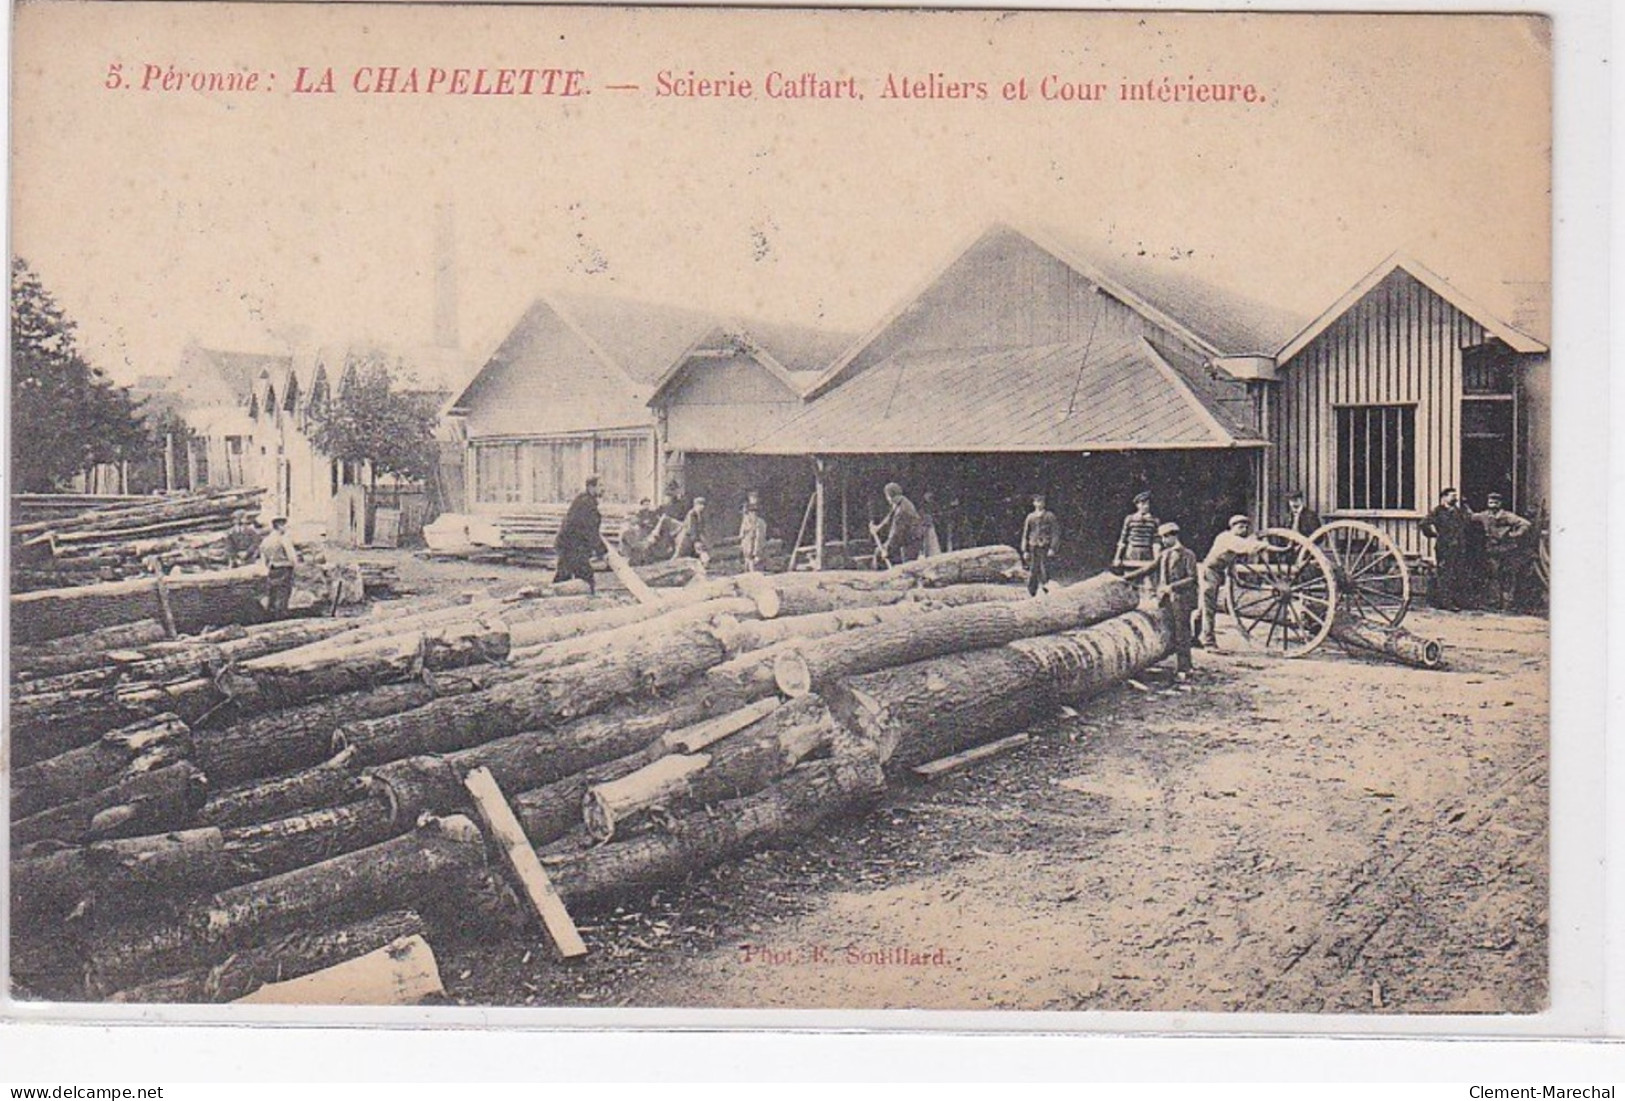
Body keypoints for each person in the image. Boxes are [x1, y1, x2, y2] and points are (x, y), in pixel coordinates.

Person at [1198, 514, 1273, 649]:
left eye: (1245, 527)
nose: (1244, 529)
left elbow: (1230, 562)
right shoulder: (1226, 538)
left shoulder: (1235, 541)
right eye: (1240, 527)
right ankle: (1208, 642)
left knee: (1204, 606)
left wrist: (1236, 579)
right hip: (1209, 571)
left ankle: (1195, 637)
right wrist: (1268, 546)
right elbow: (1247, 547)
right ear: (1232, 527)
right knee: (1209, 606)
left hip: (1218, 572)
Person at [1152, 521, 1199, 680]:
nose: (1164, 540)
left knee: (1182, 633)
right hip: (1166, 600)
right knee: (1171, 631)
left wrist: (1171, 587)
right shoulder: (1164, 554)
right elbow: (1150, 568)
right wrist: (1125, 578)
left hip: (1182, 599)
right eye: (1162, 537)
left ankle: (1184, 668)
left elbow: (1192, 578)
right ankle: (1180, 666)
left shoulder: (1187, 554)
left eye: (1166, 537)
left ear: (1175, 536)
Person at [1472, 492, 1532, 612]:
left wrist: (1515, 534)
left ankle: (1507, 603)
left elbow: (1525, 524)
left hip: (1506, 549)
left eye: (1495, 502)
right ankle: (1494, 602)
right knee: (1493, 575)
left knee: (1507, 575)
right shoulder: (1485, 515)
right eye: (1490, 502)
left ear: (1500, 503)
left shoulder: (1507, 516)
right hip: (1492, 549)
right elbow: (1471, 517)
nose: (1492, 505)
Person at [1419, 487, 1472, 611]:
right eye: (1452, 496)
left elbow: (1469, 520)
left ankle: (1457, 601)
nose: (1455, 498)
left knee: (1457, 572)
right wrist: (1433, 534)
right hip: (1444, 546)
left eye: (1455, 495)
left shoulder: (1459, 511)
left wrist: (1466, 506)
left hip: (1459, 546)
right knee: (1445, 573)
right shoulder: (1438, 511)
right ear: (1444, 497)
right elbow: (1424, 523)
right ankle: (1445, 602)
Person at [555, 475, 606, 592]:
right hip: (573, 547)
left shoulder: (585, 500)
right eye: (600, 486)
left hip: (569, 545)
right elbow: (590, 531)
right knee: (586, 579)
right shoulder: (586, 503)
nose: (603, 489)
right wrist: (602, 552)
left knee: (563, 577)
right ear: (591, 487)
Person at [871, 482, 924, 566]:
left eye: (887, 496)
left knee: (908, 567)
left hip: (911, 541)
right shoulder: (900, 502)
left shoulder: (902, 509)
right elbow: (889, 517)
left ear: (889, 496)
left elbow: (896, 532)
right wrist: (878, 527)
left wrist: (886, 549)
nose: (887, 499)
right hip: (908, 539)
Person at [257, 516, 300, 619]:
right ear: (279, 526)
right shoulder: (283, 539)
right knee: (283, 593)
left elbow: (264, 558)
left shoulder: (266, 541)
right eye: (285, 526)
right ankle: (281, 616)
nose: (286, 528)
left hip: (272, 569)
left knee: (273, 592)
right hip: (284, 568)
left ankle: (271, 616)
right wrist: (296, 567)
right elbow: (292, 557)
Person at [1114, 491, 1161, 580]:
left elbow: (1156, 541)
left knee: (1148, 581)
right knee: (1130, 579)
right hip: (1132, 553)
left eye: (1147, 504)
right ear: (1137, 505)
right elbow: (1122, 540)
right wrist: (1117, 557)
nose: (1145, 506)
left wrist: (1156, 560)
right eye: (1142, 503)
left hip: (1147, 553)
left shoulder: (1155, 521)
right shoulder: (1130, 519)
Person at [1019, 493, 1059, 597]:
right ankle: (1031, 593)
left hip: (1045, 546)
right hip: (1033, 546)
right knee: (1033, 570)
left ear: (1044, 503)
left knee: (1045, 569)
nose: (1039, 504)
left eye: (1041, 501)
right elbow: (1025, 534)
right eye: (1037, 501)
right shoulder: (1030, 517)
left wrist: (1052, 548)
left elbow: (1055, 533)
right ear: (1034, 503)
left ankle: (1048, 592)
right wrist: (1025, 550)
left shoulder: (1050, 516)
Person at [672, 495, 709, 562]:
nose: (702, 507)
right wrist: (696, 540)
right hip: (685, 536)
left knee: (699, 551)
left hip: (693, 537)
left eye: (703, 505)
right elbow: (692, 528)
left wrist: (702, 538)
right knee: (679, 555)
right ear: (695, 505)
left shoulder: (701, 515)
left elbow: (701, 528)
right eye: (700, 505)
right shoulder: (691, 514)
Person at [738, 493, 769, 572]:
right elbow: (742, 533)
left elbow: (759, 538)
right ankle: (747, 569)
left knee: (753, 560)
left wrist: (757, 552)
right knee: (747, 559)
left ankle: (752, 571)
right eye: (750, 512)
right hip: (747, 543)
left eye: (754, 512)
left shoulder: (759, 522)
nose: (752, 514)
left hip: (755, 543)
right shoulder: (746, 520)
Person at [920, 492, 944, 559]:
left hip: (933, 526)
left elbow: (939, 514)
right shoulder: (924, 507)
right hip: (928, 527)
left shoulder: (935, 505)